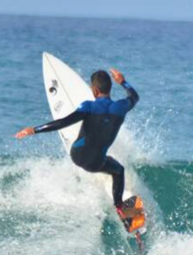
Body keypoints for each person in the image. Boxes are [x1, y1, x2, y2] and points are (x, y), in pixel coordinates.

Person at [15, 67, 139, 216]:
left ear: (94, 90)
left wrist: (34, 130)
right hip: (96, 164)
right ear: (110, 87)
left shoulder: (89, 107)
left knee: (82, 130)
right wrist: (123, 81)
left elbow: (63, 122)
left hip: (77, 156)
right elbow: (134, 96)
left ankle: (72, 139)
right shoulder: (121, 107)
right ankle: (119, 207)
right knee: (119, 171)